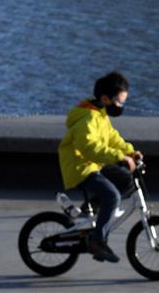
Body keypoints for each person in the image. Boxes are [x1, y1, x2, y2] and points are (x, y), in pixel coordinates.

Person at [58, 71, 143, 263]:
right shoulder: (87, 119)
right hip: (80, 168)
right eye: (119, 102)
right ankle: (97, 240)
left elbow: (112, 138)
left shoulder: (100, 113)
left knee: (126, 180)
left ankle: (88, 212)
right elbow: (91, 149)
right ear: (105, 98)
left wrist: (130, 152)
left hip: (94, 164)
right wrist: (119, 157)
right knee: (112, 196)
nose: (121, 107)